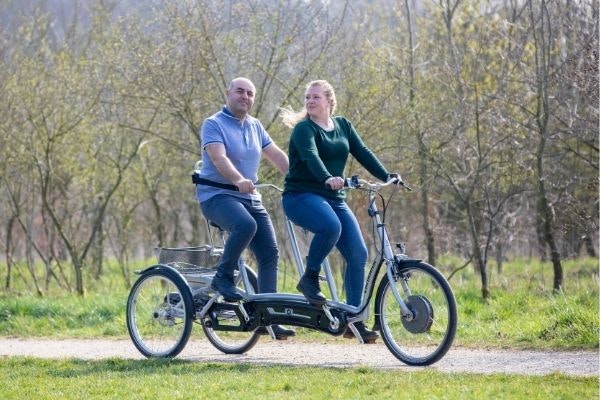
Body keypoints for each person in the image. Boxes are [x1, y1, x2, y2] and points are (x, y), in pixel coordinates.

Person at [280, 79, 398, 343]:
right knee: (330, 226)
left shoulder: (343, 125)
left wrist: (386, 174)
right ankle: (310, 279)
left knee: (358, 253)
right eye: (307, 97)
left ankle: (353, 321)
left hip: (334, 197)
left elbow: (362, 151)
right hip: (300, 196)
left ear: (330, 102)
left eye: (315, 97)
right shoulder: (303, 129)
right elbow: (311, 156)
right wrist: (327, 177)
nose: (310, 101)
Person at [196, 77, 295, 339]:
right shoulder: (213, 123)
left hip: (249, 199)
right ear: (228, 93)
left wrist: (296, 177)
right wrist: (238, 179)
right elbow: (219, 157)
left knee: (269, 252)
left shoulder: (255, 125)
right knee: (245, 225)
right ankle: (223, 277)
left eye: (250, 93)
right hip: (217, 196)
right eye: (240, 91)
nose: (245, 97)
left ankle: (269, 316)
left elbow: (275, 155)